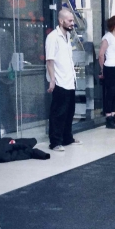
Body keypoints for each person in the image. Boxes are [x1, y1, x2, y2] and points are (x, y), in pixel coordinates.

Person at [46, 9, 82, 151]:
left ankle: (67, 138)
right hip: (60, 81)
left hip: (70, 80)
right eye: (70, 20)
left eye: (72, 20)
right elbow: (50, 60)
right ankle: (55, 142)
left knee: (69, 112)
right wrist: (52, 80)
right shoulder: (53, 37)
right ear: (61, 21)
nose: (72, 23)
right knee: (58, 113)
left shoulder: (67, 36)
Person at [98, 15, 115, 129]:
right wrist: (102, 69)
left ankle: (113, 116)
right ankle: (108, 118)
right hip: (110, 68)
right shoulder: (107, 37)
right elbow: (101, 54)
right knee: (110, 94)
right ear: (112, 25)